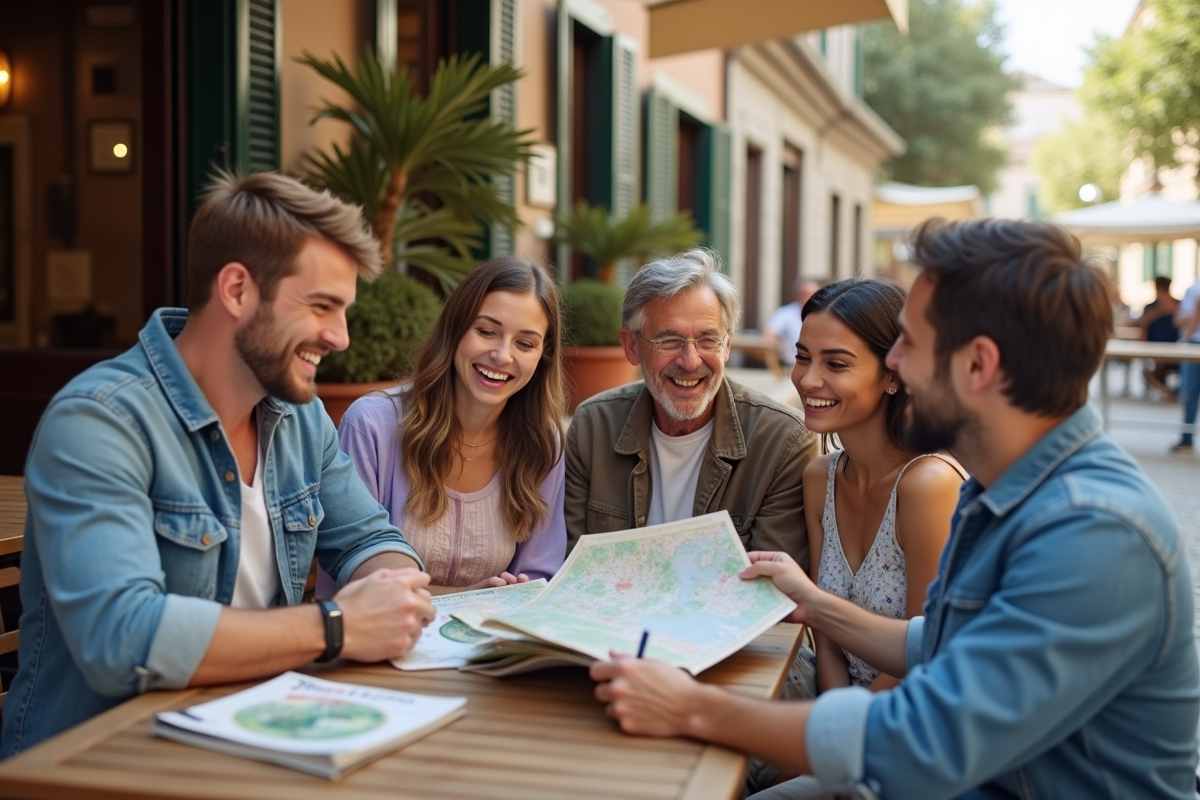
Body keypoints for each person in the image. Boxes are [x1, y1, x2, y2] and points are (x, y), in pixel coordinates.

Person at [591, 219, 1200, 799]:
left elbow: (925, 738)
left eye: (910, 341)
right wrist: (818, 604)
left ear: (978, 364)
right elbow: (936, 644)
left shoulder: (1093, 530)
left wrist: (692, 707)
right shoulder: (1004, 492)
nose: (896, 362)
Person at [1, 171, 436, 756]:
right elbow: (122, 638)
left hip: (259, 738)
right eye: (321, 307)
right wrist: (337, 625)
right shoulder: (99, 422)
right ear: (236, 289)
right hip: (104, 764)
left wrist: (391, 589)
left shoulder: (298, 417)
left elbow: (368, 537)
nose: (341, 337)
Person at [564, 249, 817, 567]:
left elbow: (771, 592)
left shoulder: (783, 441)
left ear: (727, 346)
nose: (690, 360)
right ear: (631, 347)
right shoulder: (593, 427)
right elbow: (574, 568)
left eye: (708, 340)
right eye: (668, 340)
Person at [333, 257, 567, 593]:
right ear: (454, 330)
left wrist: (516, 593)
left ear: (542, 357)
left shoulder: (543, 445)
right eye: (487, 331)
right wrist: (472, 598)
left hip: (496, 641)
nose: (502, 355)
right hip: (383, 640)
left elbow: (538, 579)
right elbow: (351, 576)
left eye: (525, 343)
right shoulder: (371, 426)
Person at [793, 278, 964, 694]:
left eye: (835, 364)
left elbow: (925, 656)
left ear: (893, 375)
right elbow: (827, 637)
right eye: (802, 357)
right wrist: (832, 717)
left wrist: (836, 737)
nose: (809, 380)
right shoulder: (820, 478)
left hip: (912, 719)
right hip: (841, 718)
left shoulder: (928, 484)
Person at [1170, 275, 1200, 456]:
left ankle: (1186, 440)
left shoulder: (1194, 288)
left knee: (1190, 393)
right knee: (1190, 393)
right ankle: (1186, 439)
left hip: (1194, 345)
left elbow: (1190, 313)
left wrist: (1187, 338)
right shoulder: (1193, 287)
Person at [764, 277, 823, 366]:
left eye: (812, 294)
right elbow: (769, 332)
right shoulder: (786, 312)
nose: (808, 297)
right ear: (798, 295)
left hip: (818, 363)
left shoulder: (824, 314)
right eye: (804, 293)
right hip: (791, 363)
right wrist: (780, 347)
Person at [1140, 275, 1180, 399]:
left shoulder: (1179, 305)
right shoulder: (1150, 307)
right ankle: (1167, 392)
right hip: (1154, 349)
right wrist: (1160, 311)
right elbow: (1143, 325)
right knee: (1148, 370)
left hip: (1175, 349)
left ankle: (1172, 392)